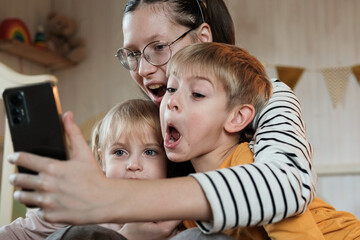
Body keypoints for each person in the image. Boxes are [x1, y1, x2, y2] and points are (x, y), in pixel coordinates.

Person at [8, 0, 316, 235]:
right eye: (132, 54)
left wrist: (117, 199)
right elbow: (40, 225)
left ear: (202, 39)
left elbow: (289, 184)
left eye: (158, 47)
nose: (142, 70)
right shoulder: (151, 121)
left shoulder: (267, 96)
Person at [161, 42, 360, 240]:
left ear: (237, 117)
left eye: (197, 94)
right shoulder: (190, 197)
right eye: (170, 89)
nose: (171, 102)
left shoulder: (252, 167)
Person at [1, 99, 180, 240]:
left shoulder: (174, 218)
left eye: (150, 152)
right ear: (102, 160)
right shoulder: (82, 206)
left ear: (169, 160)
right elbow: (21, 232)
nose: (133, 165)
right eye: (119, 152)